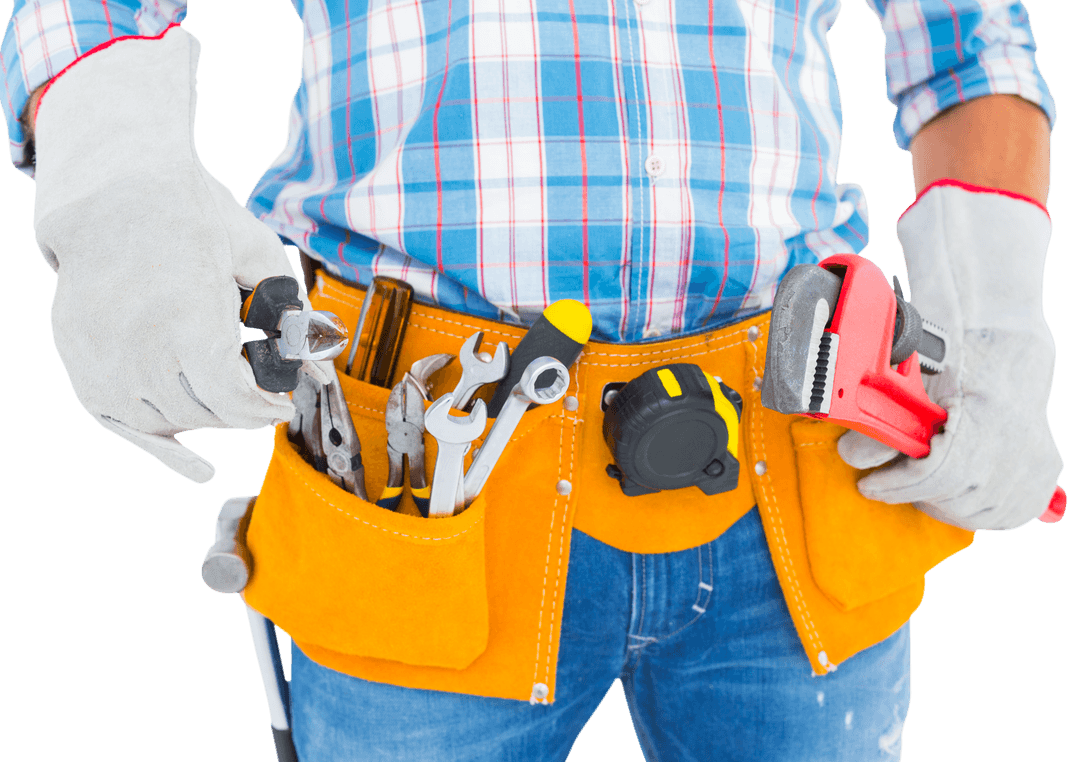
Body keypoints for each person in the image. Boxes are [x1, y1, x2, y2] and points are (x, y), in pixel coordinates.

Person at [2, 1, 1064, 760]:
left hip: (795, 450)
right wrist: (120, 189)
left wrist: (998, 324)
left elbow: (970, 40)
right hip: (415, 481)